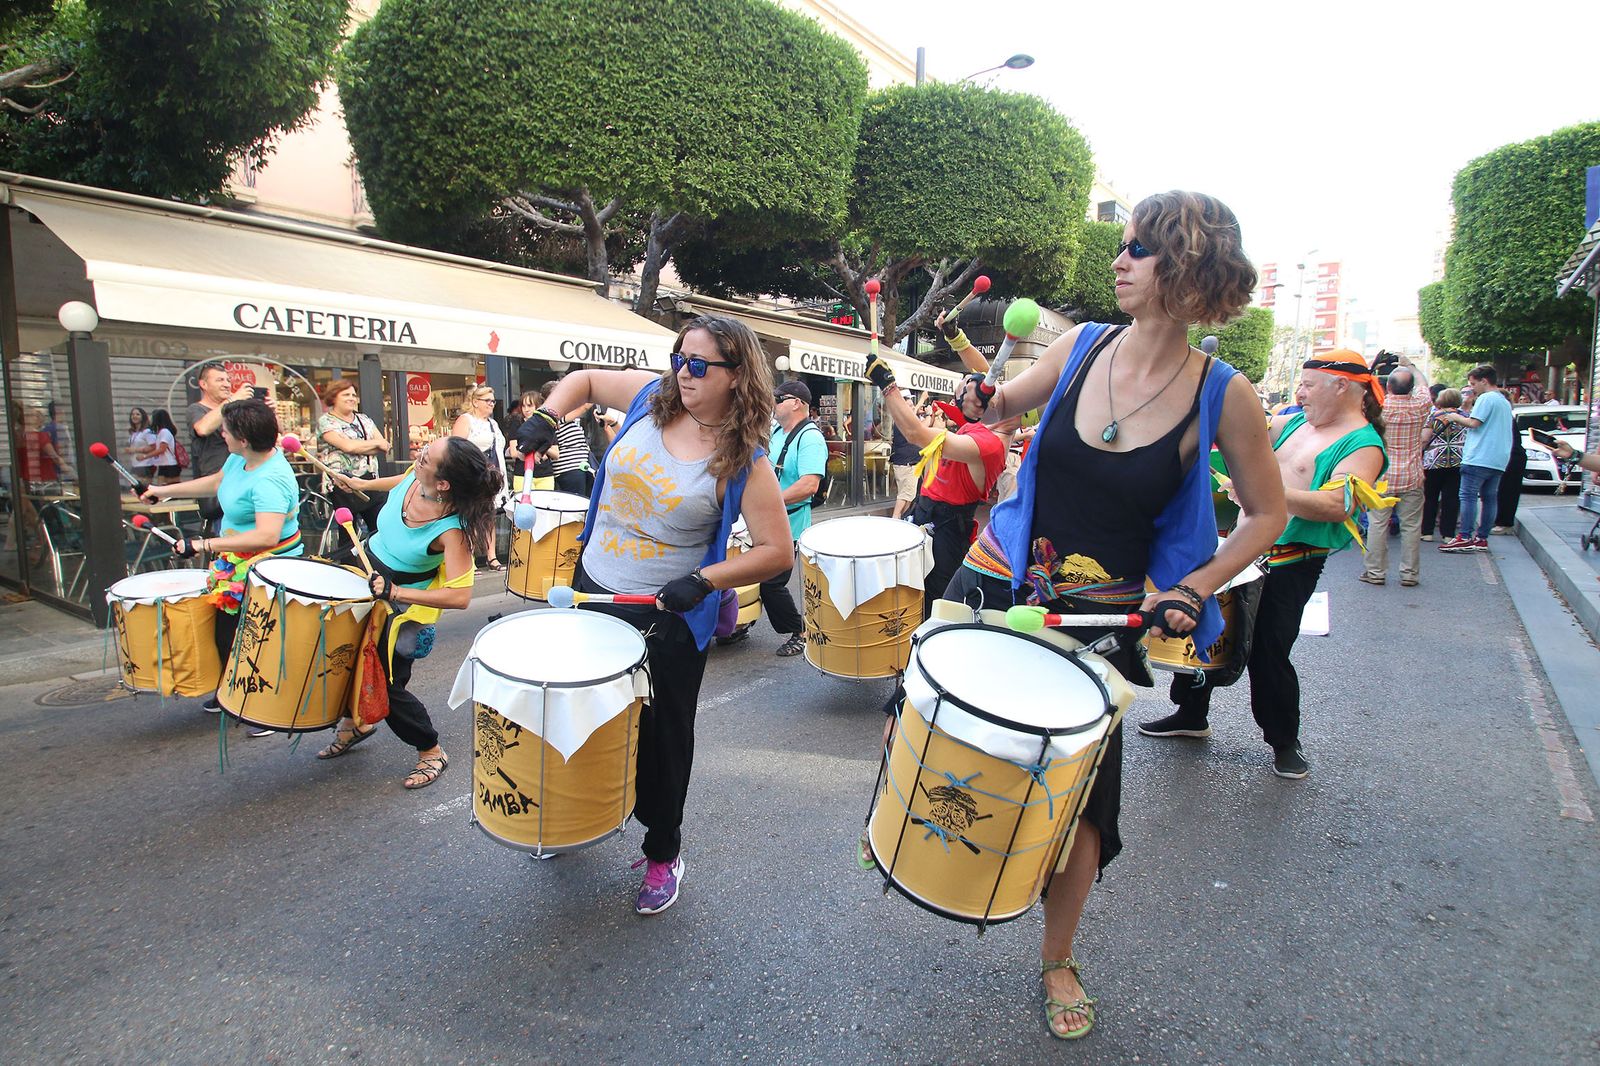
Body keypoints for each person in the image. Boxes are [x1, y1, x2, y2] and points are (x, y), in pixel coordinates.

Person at [868, 192, 1286, 1040]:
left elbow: (1266, 513)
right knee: (913, 706)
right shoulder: (1081, 345)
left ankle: (1057, 957)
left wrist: (1197, 586)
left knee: (1084, 800)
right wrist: (977, 392)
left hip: (1106, 614)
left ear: (1184, 262)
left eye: (1136, 248)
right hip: (1004, 576)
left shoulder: (1223, 394)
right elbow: (999, 407)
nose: (1118, 260)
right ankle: (908, 835)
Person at [515, 314, 792, 915]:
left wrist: (705, 579)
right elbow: (585, 380)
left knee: (663, 740)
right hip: (593, 589)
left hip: (664, 614)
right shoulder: (650, 397)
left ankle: (662, 850)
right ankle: (575, 811)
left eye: (699, 365)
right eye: (678, 357)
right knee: (577, 710)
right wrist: (545, 417)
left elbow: (777, 552)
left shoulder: (744, 457)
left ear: (737, 374)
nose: (682, 373)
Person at [1142, 348, 1385, 778]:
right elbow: (1236, 433)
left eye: (1308, 384)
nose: (1300, 392)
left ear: (1342, 385)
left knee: (1269, 651)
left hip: (1292, 559)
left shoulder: (1363, 443)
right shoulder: (1292, 422)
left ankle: (1284, 741)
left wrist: (1262, 492)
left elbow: (1336, 504)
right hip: (1242, 546)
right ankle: (1190, 714)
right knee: (1205, 625)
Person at [317, 437, 502, 788]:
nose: (418, 456)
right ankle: (357, 722)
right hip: (363, 567)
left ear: (444, 484)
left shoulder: (452, 530)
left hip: (398, 602)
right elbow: (400, 480)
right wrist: (361, 485)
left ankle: (430, 750)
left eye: (427, 457)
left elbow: (461, 596)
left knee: (386, 682)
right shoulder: (419, 476)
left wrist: (395, 592)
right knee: (342, 657)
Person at [141, 398, 302, 736]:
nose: (221, 435)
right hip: (236, 561)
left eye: (225, 431)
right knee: (225, 631)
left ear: (243, 438)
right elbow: (216, 481)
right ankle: (233, 689)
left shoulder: (270, 479)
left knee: (256, 638)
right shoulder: (238, 460)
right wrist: (164, 492)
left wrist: (202, 545)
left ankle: (265, 707)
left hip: (269, 565)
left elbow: (266, 535)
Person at [866, 323, 1010, 619]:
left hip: (948, 530)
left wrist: (887, 384)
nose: (964, 384)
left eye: (967, 384)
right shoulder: (979, 422)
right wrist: (956, 336)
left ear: (981, 404)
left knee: (935, 602)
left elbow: (916, 433)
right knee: (908, 591)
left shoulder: (989, 443)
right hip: (926, 515)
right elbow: (987, 375)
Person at [753, 378, 827, 657]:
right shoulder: (776, 431)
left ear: (797, 403)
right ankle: (738, 623)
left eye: (778, 398)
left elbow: (809, 485)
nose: (773, 403)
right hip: (764, 519)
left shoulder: (811, 438)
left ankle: (801, 631)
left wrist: (767, 502)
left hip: (790, 524)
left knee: (771, 584)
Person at [1360, 355, 1430, 587]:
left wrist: (1374, 367)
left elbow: (1365, 391)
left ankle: (1375, 572)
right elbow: (1424, 386)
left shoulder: (1381, 407)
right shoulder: (1420, 405)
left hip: (1382, 476)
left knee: (1377, 524)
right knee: (1411, 527)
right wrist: (1409, 365)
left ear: (1388, 386)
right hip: (1412, 475)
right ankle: (1410, 574)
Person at [1434, 365, 1511, 552]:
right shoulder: (1504, 401)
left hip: (1479, 455)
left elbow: (1474, 423)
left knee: (1468, 496)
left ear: (1484, 381)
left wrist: (1454, 417)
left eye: (1473, 384)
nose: (1472, 389)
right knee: (1489, 498)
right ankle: (1482, 538)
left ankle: (1465, 536)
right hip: (1499, 457)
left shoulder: (1486, 398)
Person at [188, 364, 259, 528]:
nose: (227, 384)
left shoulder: (234, 408)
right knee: (228, 541)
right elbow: (203, 428)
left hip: (246, 482)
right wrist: (231, 400)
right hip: (219, 486)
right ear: (203, 384)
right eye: (220, 380)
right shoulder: (196, 409)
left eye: (228, 380)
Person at [316, 379, 390, 532]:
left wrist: (360, 446)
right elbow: (347, 446)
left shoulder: (364, 419)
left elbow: (384, 445)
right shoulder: (326, 421)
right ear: (334, 397)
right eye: (345, 394)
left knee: (379, 529)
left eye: (353, 394)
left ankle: (373, 556)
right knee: (348, 535)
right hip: (343, 485)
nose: (351, 398)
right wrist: (372, 444)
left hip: (370, 481)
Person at [450, 384, 509, 570]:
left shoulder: (493, 424)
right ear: (475, 402)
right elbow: (456, 448)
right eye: (487, 400)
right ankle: (470, 559)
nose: (491, 404)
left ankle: (492, 557)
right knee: (471, 516)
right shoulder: (466, 420)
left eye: (493, 400)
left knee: (490, 515)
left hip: (493, 476)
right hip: (473, 475)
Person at [1420, 387, 1466, 542]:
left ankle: (1427, 531)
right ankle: (1448, 534)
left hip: (1434, 461)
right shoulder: (1465, 416)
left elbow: (1425, 438)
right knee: (1451, 497)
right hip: (1457, 460)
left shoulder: (1433, 416)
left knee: (1430, 496)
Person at [887, 395, 927, 520]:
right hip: (906, 464)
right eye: (909, 406)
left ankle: (901, 519)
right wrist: (921, 401)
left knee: (908, 496)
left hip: (910, 464)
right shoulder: (901, 420)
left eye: (912, 405)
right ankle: (895, 519)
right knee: (905, 495)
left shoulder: (904, 421)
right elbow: (911, 420)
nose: (913, 408)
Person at [142, 409, 182, 484]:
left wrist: (145, 456)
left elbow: (161, 449)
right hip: (164, 464)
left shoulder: (165, 432)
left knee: (170, 487)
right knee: (162, 486)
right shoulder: (161, 432)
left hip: (170, 465)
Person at [126, 407, 155, 481]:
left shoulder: (147, 431)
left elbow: (153, 446)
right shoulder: (134, 433)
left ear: (143, 417)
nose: (134, 416)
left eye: (137, 414)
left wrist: (135, 450)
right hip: (135, 463)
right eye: (132, 414)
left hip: (145, 464)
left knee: (143, 488)